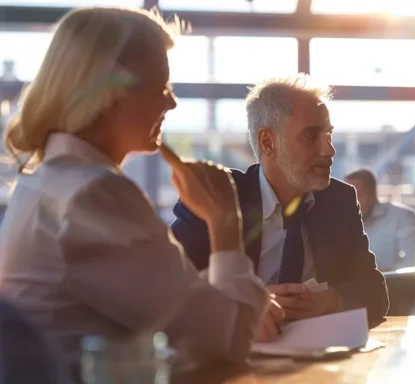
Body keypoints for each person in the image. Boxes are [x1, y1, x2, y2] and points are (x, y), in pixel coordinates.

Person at [0, 6, 267, 363]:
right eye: (161, 87)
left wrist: (216, 298)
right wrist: (226, 222)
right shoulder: (93, 194)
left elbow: (163, 305)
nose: (172, 102)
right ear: (109, 94)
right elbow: (230, 337)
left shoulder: (46, 182)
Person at [170, 75, 389, 340]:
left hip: (316, 361)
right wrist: (248, 301)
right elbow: (168, 293)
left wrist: (328, 301)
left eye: (328, 134)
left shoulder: (338, 200)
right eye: (311, 135)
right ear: (267, 142)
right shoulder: (218, 196)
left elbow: (375, 293)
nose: (329, 150)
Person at [344, 169, 415, 272]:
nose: (352, 203)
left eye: (359, 195)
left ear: (373, 193)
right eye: (347, 197)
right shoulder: (339, 223)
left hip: (396, 286)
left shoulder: (403, 217)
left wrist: (380, 273)